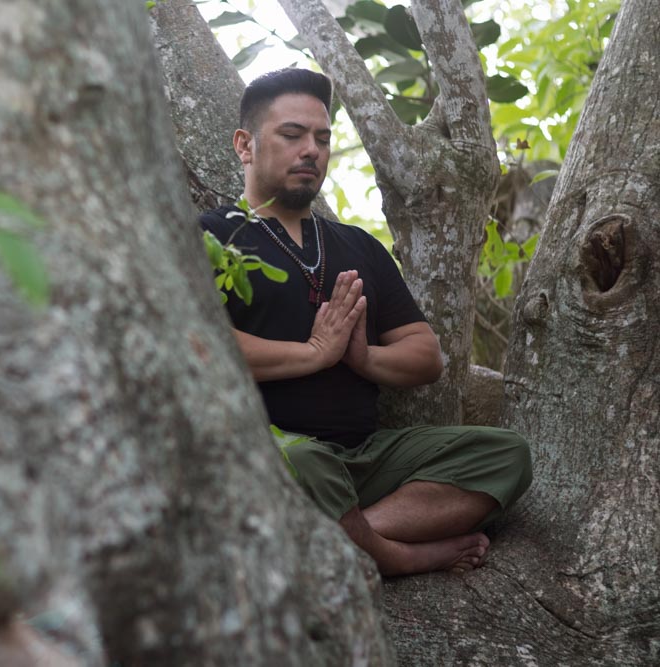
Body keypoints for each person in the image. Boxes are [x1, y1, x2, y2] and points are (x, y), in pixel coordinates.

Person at [199, 68, 532, 576]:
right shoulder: (211, 237)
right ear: (245, 145)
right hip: (274, 455)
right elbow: (198, 346)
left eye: (323, 138)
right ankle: (398, 556)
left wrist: (362, 356)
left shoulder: (357, 246)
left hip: (365, 460)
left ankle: (346, 538)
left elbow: (427, 357)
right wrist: (314, 354)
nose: (311, 149)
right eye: (292, 135)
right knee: (303, 461)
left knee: (504, 454)